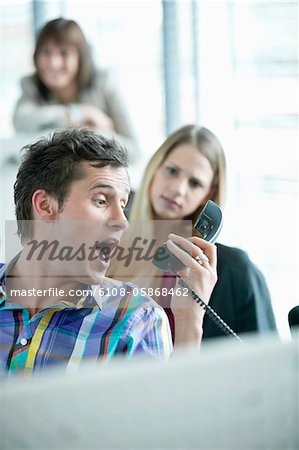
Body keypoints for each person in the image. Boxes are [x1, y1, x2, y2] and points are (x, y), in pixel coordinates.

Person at [0, 128, 217, 376]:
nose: (122, 222)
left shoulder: (137, 321)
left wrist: (190, 319)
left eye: (123, 205)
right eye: (101, 200)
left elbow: (167, 414)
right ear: (45, 206)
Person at [108, 124, 276, 344]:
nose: (178, 189)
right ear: (155, 168)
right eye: (172, 171)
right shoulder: (109, 240)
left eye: (195, 183)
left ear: (209, 195)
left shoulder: (234, 269)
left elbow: (268, 364)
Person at [12, 18, 139, 161]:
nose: (53, 63)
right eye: (46, 52)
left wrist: (95, 134)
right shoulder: (32, 84)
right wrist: (77, 113)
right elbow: (20, 121)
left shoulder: (104, 82)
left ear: (80, 57)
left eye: (64, 53)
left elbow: (134, 150)